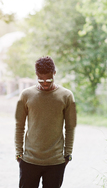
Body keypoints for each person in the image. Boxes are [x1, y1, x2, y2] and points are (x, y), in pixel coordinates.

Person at [14, 56, 77, 188]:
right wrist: (19, 153)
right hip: (29, 161)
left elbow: (70, 127)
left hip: (56, 162)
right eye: (41, 80)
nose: (45, 83)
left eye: (49, 79)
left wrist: (67, 154)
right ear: (36, 75)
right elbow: (19, 126)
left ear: (54, 73)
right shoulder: (26, 95)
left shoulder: (66, 96)